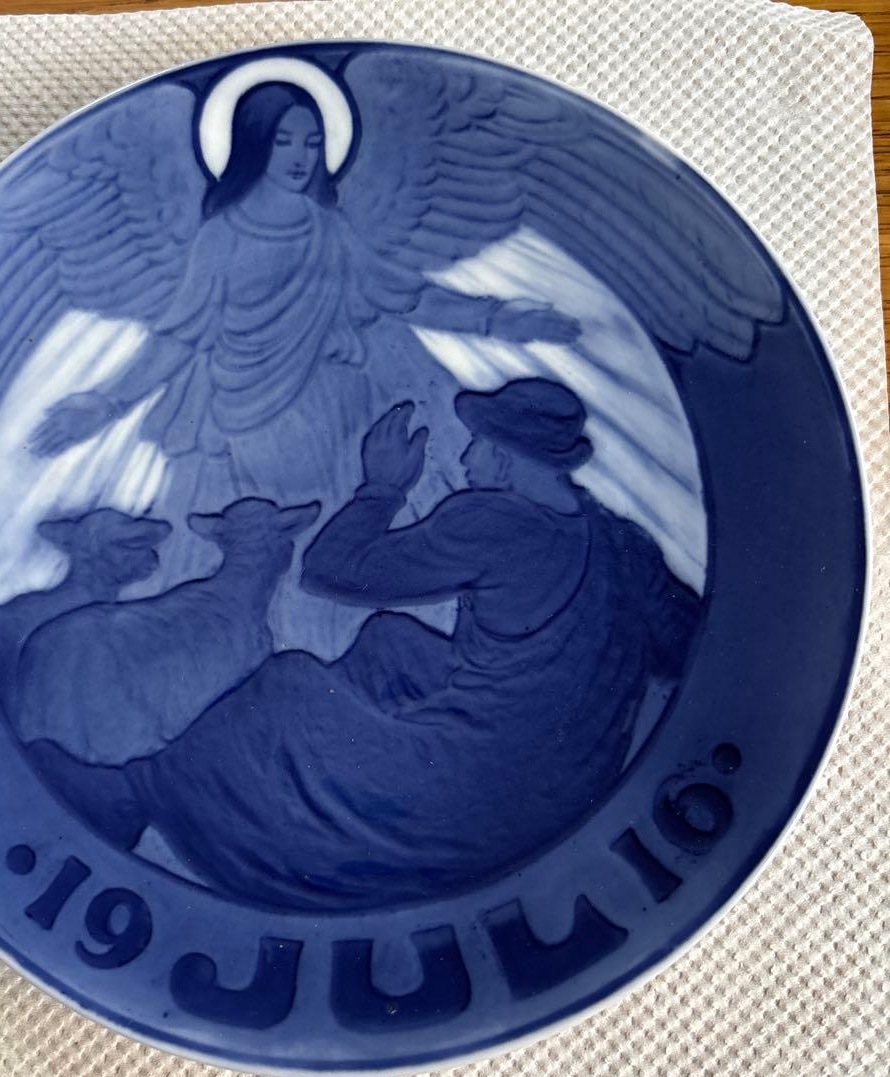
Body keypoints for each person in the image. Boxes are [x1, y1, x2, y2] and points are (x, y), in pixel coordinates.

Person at [28, 82, 579, 658]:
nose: (300, 156)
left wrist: (497, 318)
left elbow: (405, 295)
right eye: (284, 141)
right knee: (274, 549)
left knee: (336, 533)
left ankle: (339, 667)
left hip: (335, 414)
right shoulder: (221, 237)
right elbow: (179, 337)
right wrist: (105, 403)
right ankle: (277, 666)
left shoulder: (326, 229)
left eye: (313, 143)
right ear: (253, 146)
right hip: (252, 422)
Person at [129, 378, 701, 911]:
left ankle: (148, 790)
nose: (467, 459)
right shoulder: (626, 543)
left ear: (505, 457)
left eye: (478, 445)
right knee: (390, 640)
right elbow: (686, 648)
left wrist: (381, 489)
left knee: (289, 684)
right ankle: (338, 781)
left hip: (479, 795)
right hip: (568, 791)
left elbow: (330, 571)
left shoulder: (496, 522)